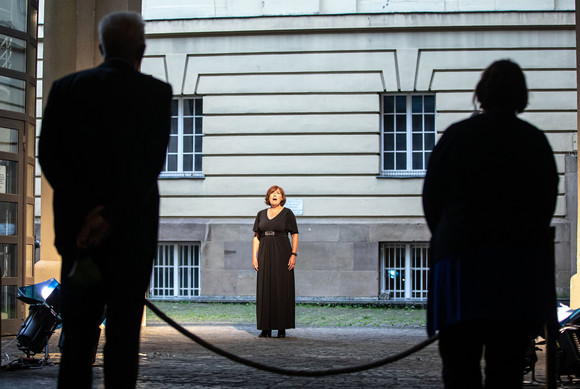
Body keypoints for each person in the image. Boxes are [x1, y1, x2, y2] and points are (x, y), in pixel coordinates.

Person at [38, 11, 172, 389]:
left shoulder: (65, 88)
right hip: (130, 238)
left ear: (101, 47)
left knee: (77, 340)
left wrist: (87, 215)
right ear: (141, 51)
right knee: (124, 342)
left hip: (80, 239)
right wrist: (110, 217)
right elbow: (148, 168)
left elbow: (50, 155)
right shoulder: (156, 94)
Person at [422, 59, 559, 389]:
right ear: (521, 96)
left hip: (460, 263)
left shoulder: (457, 136)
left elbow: (432, 198)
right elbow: (545, 204)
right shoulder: (534, 141)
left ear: (480, 94)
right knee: (507, 368)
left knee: (459, 365)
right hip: (516, 265)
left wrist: (449, 235)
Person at [252, 185, 299, 338]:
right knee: (265, 289)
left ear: (282, 198)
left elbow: (295, 235)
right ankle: (265, 328)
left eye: (278, 193)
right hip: (265, 253)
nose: (275, 195)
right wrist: (254, 256)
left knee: (281, 289)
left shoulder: (287, 213)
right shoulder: (260, 214)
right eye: (272, 193)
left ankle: (281, 327)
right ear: (268, 197)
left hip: (282, 252)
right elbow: (256, 236)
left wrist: (293, 254)